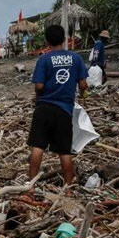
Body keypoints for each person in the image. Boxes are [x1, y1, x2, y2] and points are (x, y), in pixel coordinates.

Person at [28, 24, 89, 186]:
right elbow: (83, 84)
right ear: (63, 39)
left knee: (37, 146)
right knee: (64, 150)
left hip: (43, 108)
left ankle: (30, 187)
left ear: (47, 41)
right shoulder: (75, 58)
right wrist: (83, 95)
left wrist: (39, 95)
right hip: (64, 110)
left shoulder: (44, 59)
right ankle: (68, 187)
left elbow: (39, 86)